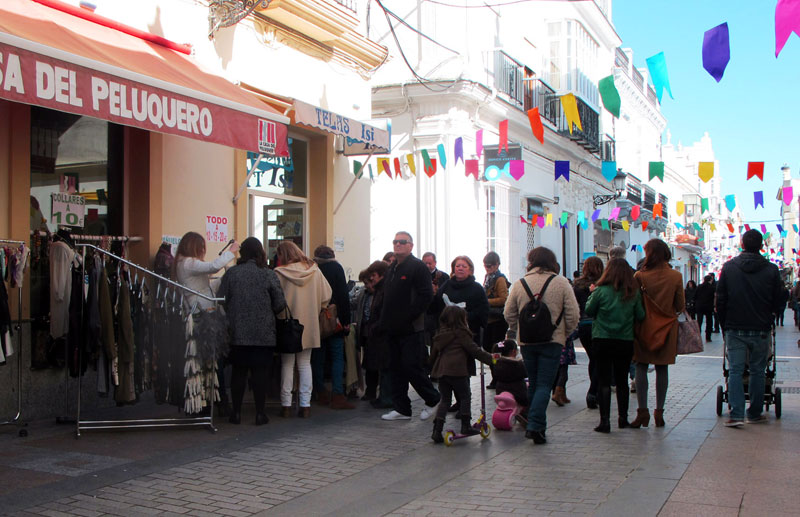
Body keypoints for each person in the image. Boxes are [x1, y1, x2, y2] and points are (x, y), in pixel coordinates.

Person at [504, 246, 579, 444]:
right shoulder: (561, 282)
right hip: (552, 341)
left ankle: (535, 423)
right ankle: (535, 426)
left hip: (527, 342)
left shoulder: (520, 284)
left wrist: (518, 327)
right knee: (545, 384)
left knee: (535, 384)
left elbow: (508, 313)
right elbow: (573, 314)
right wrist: (564, 332)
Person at [717, 229, 783, 427]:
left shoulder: (729, 268)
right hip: (761, 328)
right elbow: (779, 300)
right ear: (761, 246)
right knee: (758, 370)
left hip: (735, 328)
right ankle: (754, 412)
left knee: (735, 370)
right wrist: (771, 316)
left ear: (742, 244)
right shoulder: (771, 270)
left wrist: (723, 324)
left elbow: (720, 300)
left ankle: (736, 414)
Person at [217, 237, 286, 425]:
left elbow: (220, 299)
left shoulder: (232, 274)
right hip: (263, 334)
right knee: (260, 373)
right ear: (260, 253)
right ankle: (260, 413)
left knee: (238, 372)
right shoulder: (268, 275)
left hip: (237, 333)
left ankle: (236, 413)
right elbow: (280, 305)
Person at [175, 231, 238, 416]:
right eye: (202, 247)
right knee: (211, 361)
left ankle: (207, 402)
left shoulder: (181, 264)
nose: (203, 250)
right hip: (203, 315)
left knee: (206, 363)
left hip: (198, 312)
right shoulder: (188, 263)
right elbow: (213, 266)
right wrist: (231, 251)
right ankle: (216, 402)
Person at [380, 232, 441, 421]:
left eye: (402, 242)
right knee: (395, 368)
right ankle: (402, 408)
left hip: (411, 328)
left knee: (412, 367)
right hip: (392, 328)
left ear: (411, 246)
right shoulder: (392, 268)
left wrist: (408, 317)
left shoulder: (417, 267)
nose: (398, 244)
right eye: (395, 241)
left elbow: (425, 296)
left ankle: (433, 399)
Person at [584, 258, 645, 433]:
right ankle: (623, 418)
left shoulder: (600, 291)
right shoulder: (632, 292)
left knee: (604, 381)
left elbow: (589, 310)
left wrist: (592, 293)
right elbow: (640, 315)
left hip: (602, 339)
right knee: (622, 381)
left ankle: (604, 422)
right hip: (624, 340)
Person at [631, 239, 685, 429]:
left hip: (644, 327)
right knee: (662, 369)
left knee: (641, 367)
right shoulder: (675, 277)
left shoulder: (639, 276)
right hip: (667, 328)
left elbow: (635, 303)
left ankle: (642, 412)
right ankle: (659, 413)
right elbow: (680, 306)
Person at [274, 241, 332, 418]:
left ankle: (286, 405)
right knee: (305, 364)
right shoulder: (314, 270)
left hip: (287, 324)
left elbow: (275, 301)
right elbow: (326, 295)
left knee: (287, 364)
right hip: (309, 323)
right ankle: (305, 405)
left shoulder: (279, 273)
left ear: (283, 255)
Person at [431, 255, 489, 413]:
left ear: (470, 269)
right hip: (447, 334)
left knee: (464, 369)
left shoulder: (477, 288)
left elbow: (483, 310)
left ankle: (464, 408)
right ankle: (457, 400)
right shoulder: (446, 285)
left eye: (464, 266)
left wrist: (464, 316)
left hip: (468, 332)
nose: (460, 268)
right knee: (451, 367)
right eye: (458, 266)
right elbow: (436, 306)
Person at [429, 306, 494, 443]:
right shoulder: (461, 333)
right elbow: (474, 350)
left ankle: (437, 430)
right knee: (465, 396)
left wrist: (430, 369)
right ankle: (465, 425)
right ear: (460, 319)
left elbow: (433, 354)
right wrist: (491, 359)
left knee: (445, 400)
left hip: (442, 371)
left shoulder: (440, 334)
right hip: (458, 370)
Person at [312, 245, 353, 410]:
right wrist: (345, 321)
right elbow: (343, 295)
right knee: (337, 357)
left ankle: (320, 391)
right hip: (334, 320)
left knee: (318, 357)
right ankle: (337, 395)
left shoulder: (313, 269)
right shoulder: (336, 267)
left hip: (317, 318)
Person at [573, 256, 604, 409]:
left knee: (593, 358)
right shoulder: (604, 284)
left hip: (583, 326)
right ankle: (593, 392)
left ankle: (595, 391)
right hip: (599, 324)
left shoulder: (577, 284)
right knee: (598, 359)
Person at [364, 260, 392, 409]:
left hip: (383, 334)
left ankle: (386, 397)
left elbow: (384, 312)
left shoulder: (384, 290)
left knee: (386, 368)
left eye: (373, 275)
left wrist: (376, 326)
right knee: (383, 367)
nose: (372, 279)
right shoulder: (381, 289)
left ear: (381, 275)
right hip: (379, 332)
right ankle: (384, 396)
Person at [482, 251, 509, 389]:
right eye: (486, 266)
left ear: (497, 265)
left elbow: (503, 299)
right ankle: (496, 376)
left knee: (496, 350)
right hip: (489, 320)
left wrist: (486, 301)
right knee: (488, 349)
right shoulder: (488, 277)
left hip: (497, 321)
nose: (488, 268)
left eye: (490, 266)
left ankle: (498, 378)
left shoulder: (499, 279)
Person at [492, 340, 528, 416]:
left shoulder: (496, 364)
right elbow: (525, 374)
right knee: (529, 397)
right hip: (518, 393)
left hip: (500, 391)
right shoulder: (517, 364)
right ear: (513, 351)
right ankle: (526, 414)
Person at [694, 275, 715, 343]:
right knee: (709, 322)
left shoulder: (699, 286)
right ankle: (708, 337)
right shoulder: (712, 287)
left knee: (699, 321)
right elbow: (713, 297)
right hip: (708, 306)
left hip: (699, 306)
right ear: (710, 280)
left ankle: (698, 337)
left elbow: (695, 295)